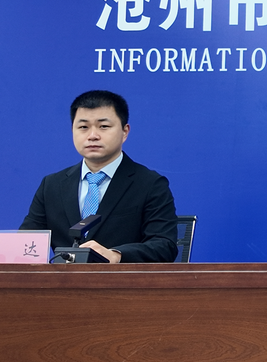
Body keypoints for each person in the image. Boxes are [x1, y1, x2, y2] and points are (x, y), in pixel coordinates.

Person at [20, 90, 179, 262]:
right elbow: (26, 243)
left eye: (103, 126)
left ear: (125, 132)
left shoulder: (149, 184)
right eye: (83, 127)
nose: (92, 136)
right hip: (64, 278)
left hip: (120, 278)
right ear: (72, 130)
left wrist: (116, 255)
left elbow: (164, 245)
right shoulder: (52, 185)